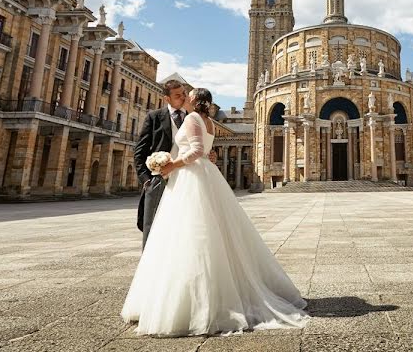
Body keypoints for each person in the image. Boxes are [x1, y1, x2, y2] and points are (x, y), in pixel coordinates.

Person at [121, 88, 309, 336]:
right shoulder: (208, 121)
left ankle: (190, 304)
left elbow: (197, 150)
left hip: (189, 177)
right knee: (203, 232)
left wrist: (170, 166)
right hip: (202, 175)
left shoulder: (192, 118)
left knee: (189, 233)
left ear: (194, 100)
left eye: (188, 95)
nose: (185, 98)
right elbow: (204, 150)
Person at [132, 80, 215, 248]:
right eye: (178, 95)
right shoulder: (154, 117)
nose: (183, 97)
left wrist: (210, 154)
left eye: (184, 93)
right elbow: (140, 150)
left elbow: (198, 146)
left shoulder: (194, 116)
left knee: (180, 224)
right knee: (152, 223)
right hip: (159, 177)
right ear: (167, 98)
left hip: (185, 177)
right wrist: (147, 180)